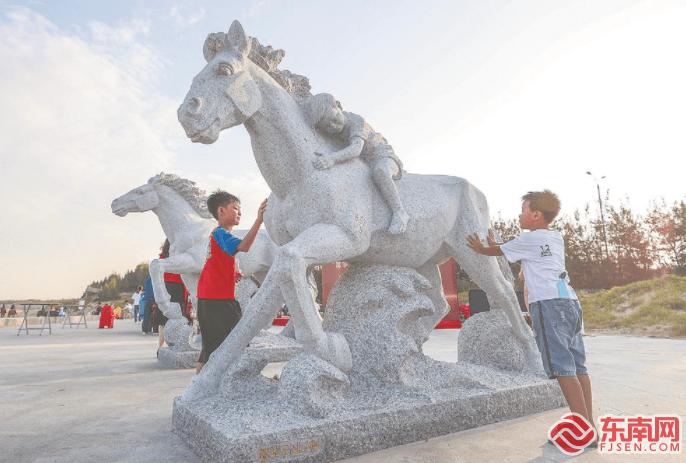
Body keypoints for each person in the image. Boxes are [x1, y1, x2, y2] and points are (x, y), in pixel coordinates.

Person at [467, 190, 597, 445]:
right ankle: (588, 424)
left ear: (536, 215)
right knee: (578, 366)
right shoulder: (555, 237)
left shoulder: (529, 240)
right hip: (569, 303)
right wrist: (498, 244)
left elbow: (495, 251)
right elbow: (516, 251)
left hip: (548, 305)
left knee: (562, 368)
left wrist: (479, 247)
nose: (520, 215)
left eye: (524, 210)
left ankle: (583, 432)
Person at [305, 93, 409, 234]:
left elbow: (356, 149)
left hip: (383, 157)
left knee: (381, 171)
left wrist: (332, 158)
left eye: (334, 119)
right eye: (328, 127)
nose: (334, 126)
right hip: (363, 163)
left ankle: (399, 212)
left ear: (339, 106)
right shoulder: (335, 132)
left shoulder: (357, 121)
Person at [195, 191, 267, 373]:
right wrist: (259, 220)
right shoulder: (221, 233)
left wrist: (235, 273)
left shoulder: (219, 236)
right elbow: (244, 246)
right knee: (238, 340)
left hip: (213, 297)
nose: (239, 213)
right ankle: (202, 387)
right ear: (221, 211)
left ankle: (197, 388)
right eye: (235, 209)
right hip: (216, 299)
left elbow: (221, 261)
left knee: (211, 347)